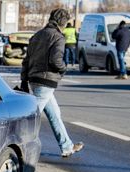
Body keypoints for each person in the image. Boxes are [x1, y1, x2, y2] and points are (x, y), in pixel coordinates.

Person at [20, 8, 84, 158]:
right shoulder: (58, 37)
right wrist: (63, 68)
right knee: (31, 118)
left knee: (55, 114)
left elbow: (26, 61)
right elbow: (56, 61)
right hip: (46, 81)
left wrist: (24, 80)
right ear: (62, 22)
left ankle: (67, 146)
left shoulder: (36, 36)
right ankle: (18, 147)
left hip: (34, 80)